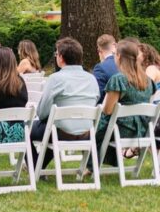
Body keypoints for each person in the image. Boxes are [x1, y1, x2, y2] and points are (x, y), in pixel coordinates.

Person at [29, 37, 99, 171]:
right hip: (87, 132)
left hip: (60, 132)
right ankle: (38, 167)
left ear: (60, 57)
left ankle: (35, 167)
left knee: (26, 129)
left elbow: (42, 113)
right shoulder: (92, 79)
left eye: (56, 54)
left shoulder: (55, 79)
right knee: (50, 127)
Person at [97, 39, 157, 166]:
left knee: (94, 130)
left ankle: (91, 166)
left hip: (121, 131)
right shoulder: (148, 81)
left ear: (118, 56)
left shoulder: (118, 80)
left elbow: (107, 111)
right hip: (143, 131)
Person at [93, 34, 119, 102]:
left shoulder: (100, 68)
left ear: (99, 50)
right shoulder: (126, 65)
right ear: (115, 45)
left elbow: (98, 95)